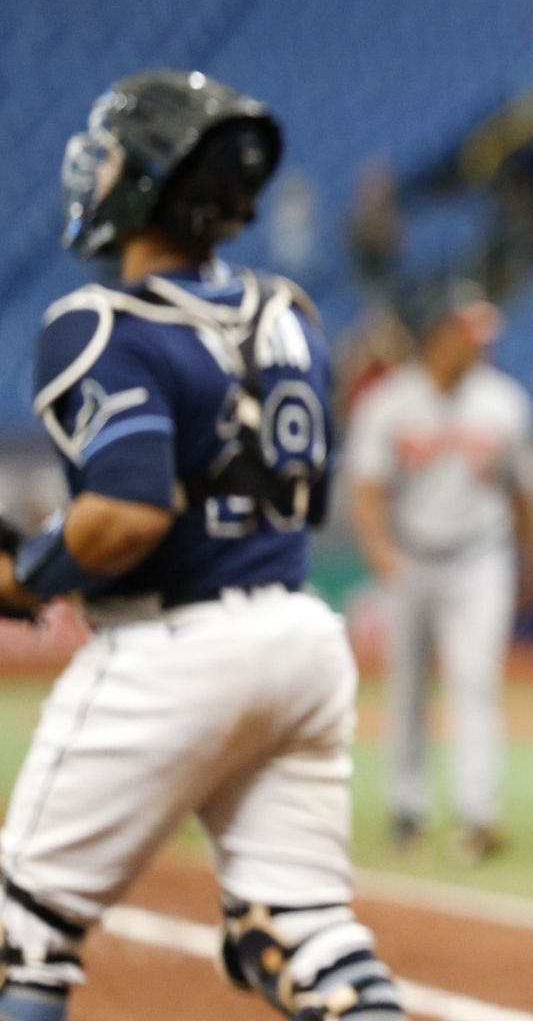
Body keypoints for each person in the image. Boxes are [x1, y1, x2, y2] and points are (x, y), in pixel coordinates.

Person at [0, 71, 405, 1021]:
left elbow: (130, 515)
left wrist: (29, 572)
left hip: (173, 649)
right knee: (302, 933)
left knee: (20, 936)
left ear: (144, 182)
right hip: (302, 638)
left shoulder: (100, 322)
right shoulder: (292, 313)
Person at [345, 281, 533, 862]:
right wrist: (380, 546)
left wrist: (532, 559)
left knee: (476, 680)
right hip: (411, 556)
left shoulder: (504, 401)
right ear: (436, 335)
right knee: (408, 687)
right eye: (465, 331)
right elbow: (366, 487)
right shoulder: (388, 402)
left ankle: (477, 812)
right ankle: (408, 806)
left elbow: (526, 492)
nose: (476, 344)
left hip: (481, 557)